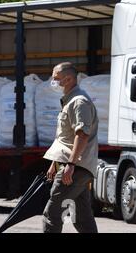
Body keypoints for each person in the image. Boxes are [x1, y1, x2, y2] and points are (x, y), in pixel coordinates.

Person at [42, 62, 99, 233]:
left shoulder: (79, 102)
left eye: (55, 78)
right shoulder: (69, 101)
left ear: (68, 79)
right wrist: (55, 162)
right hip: (73, 166)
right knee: (81, 216)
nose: (52, 82)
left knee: (52, 212)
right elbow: (65, 137)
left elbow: (81, 135)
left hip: (76, 168)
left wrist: (71, 165)